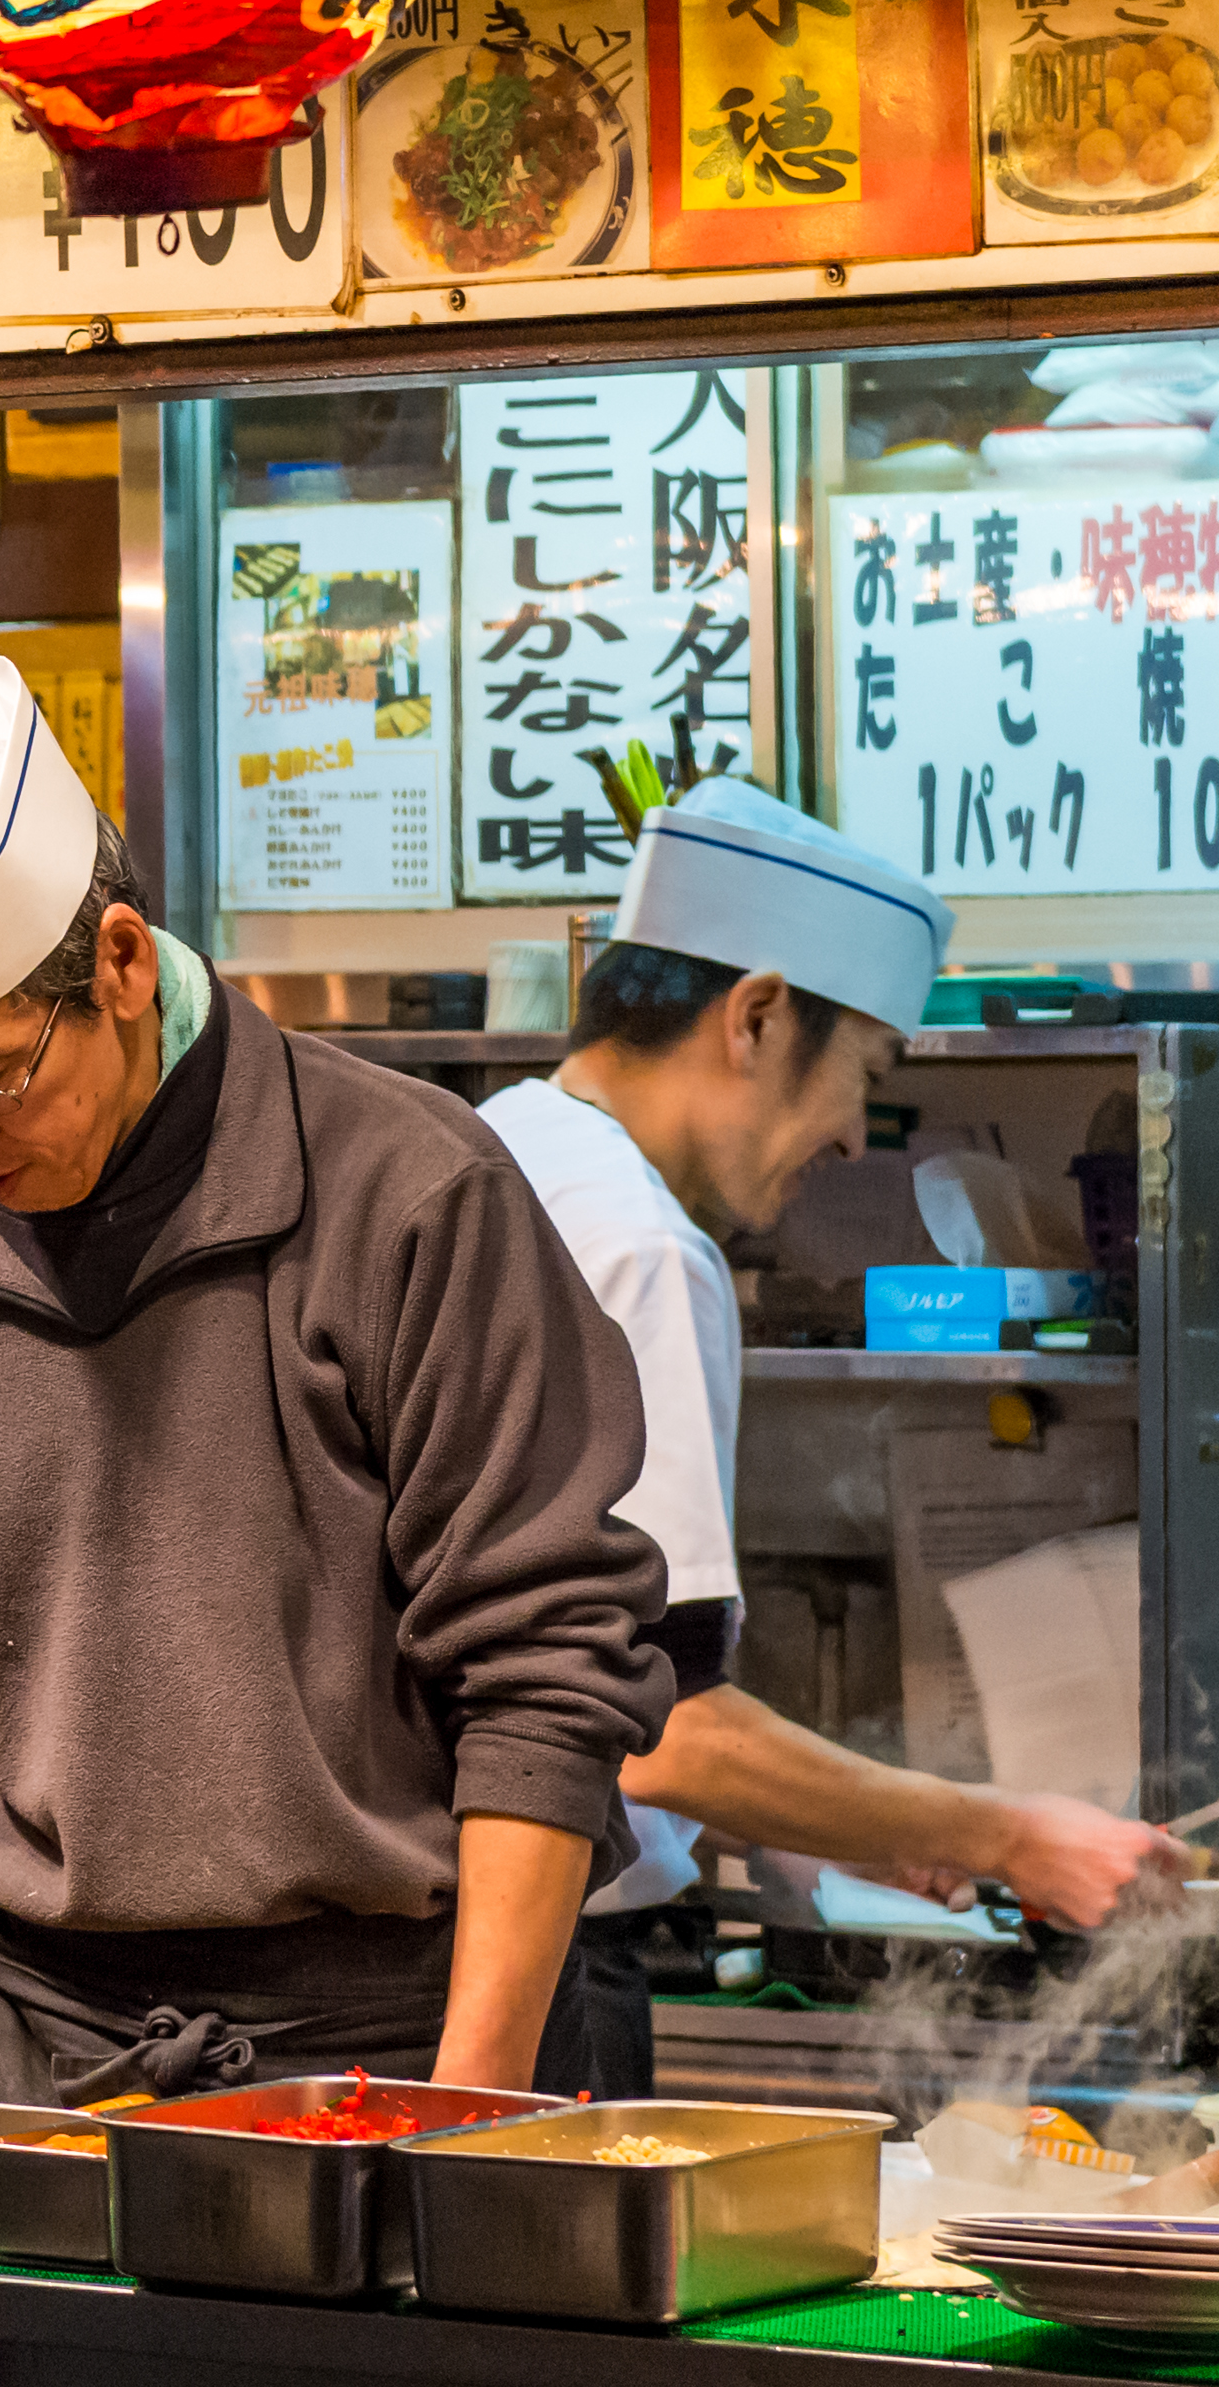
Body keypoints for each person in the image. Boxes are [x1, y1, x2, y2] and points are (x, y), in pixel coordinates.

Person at [0, 651, 672, 2101]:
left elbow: (543, 1670)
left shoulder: (410, 1198)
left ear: (121, 961)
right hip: (48, 2060)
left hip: (401, 2029)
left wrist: (466, 2101)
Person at [484, 779, 1188, 2098]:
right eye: (865, 1075)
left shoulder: (507, 1149)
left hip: (454, 1948)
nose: (858, 1135)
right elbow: (662, 1726)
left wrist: (832, 1826)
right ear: (755, 1016)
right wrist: (1007, 1832)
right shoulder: (639, 1244)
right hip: (555, 1969)